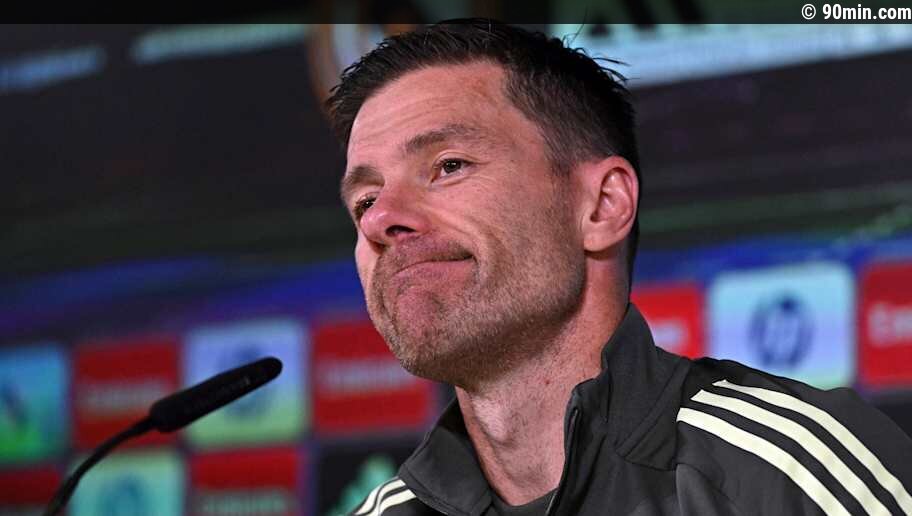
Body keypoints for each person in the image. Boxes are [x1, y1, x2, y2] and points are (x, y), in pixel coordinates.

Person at [327, 20, 912, 516]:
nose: (382, 220)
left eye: (449, 165)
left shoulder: (791, 474)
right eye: (364, 201)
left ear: (603, 206)